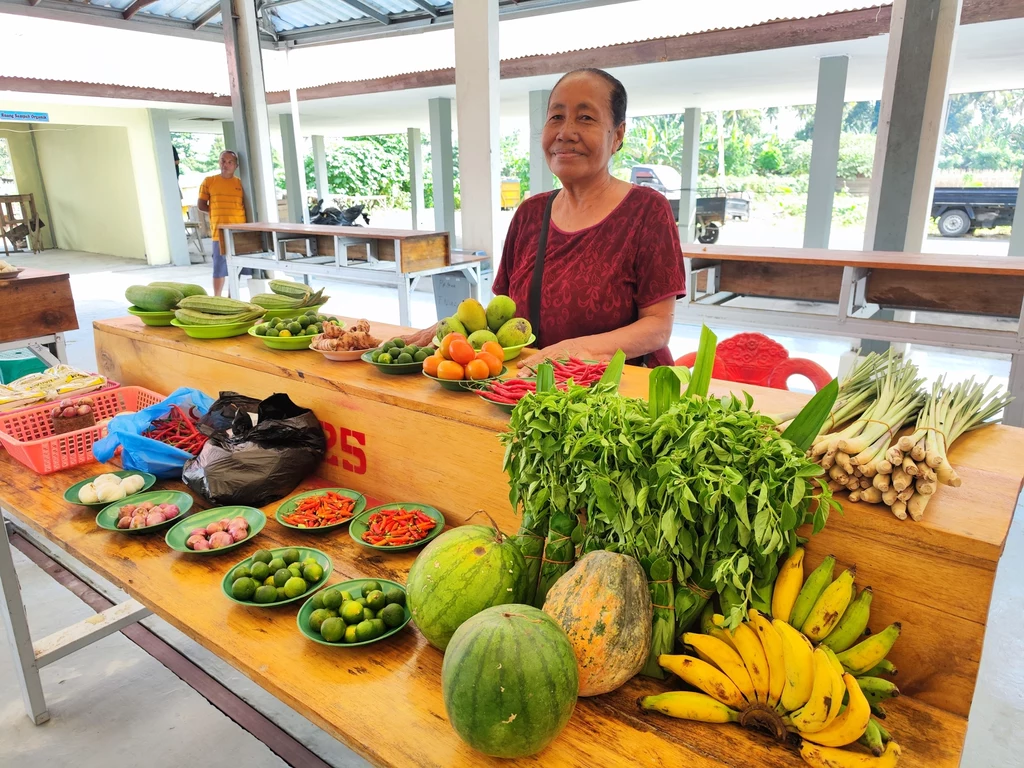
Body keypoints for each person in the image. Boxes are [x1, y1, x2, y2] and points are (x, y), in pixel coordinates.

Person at [405, 68, 685, 368]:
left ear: (617, 135)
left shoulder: (646, 210)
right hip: (535, 391)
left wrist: (578, 351)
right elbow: (508, 315)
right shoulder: (530, 213)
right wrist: (458, 330)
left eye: (586, 117)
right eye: (556, 117)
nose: (565, 132)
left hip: (618, 396)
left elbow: (657, 326)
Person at [198, 150, 248, 297]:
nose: (225, 164)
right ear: (219, 162)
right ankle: (217, 298)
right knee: (219, 268)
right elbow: (201, 205)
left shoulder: (240, 183)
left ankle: (232, 298)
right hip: (218, 232)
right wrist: (215, 212)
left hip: (238, 232)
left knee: (236, 267)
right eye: (223, 161)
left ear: (236, 166)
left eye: (229, 162)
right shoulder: (209, 181)